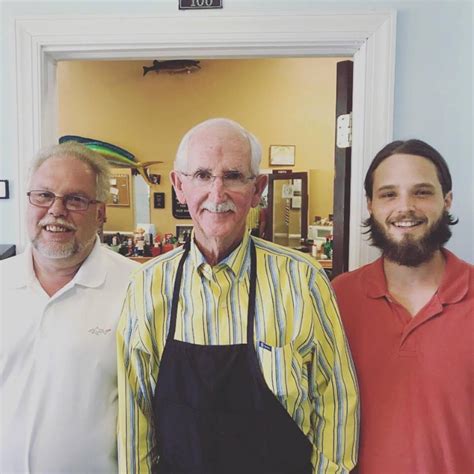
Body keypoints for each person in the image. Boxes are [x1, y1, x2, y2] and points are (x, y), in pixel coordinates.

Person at [117, 118, 359, 474]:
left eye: (233, 176)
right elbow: (135, 417)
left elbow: (337, 400)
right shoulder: (147, 285)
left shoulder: (303, 279)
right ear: (178, 185)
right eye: (201, 175)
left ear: (258, 188)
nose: (217, 194)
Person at [332, 139, 473, 473]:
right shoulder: (337, 298)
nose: (405, 207)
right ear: (370, 204)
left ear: (447, 200)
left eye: (422, 192)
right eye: (389, 194)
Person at [0, 142, 139, 473]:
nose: (56, 210)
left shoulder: (137, 287)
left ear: (101, 213)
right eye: (43, 196)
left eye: (75, 199)